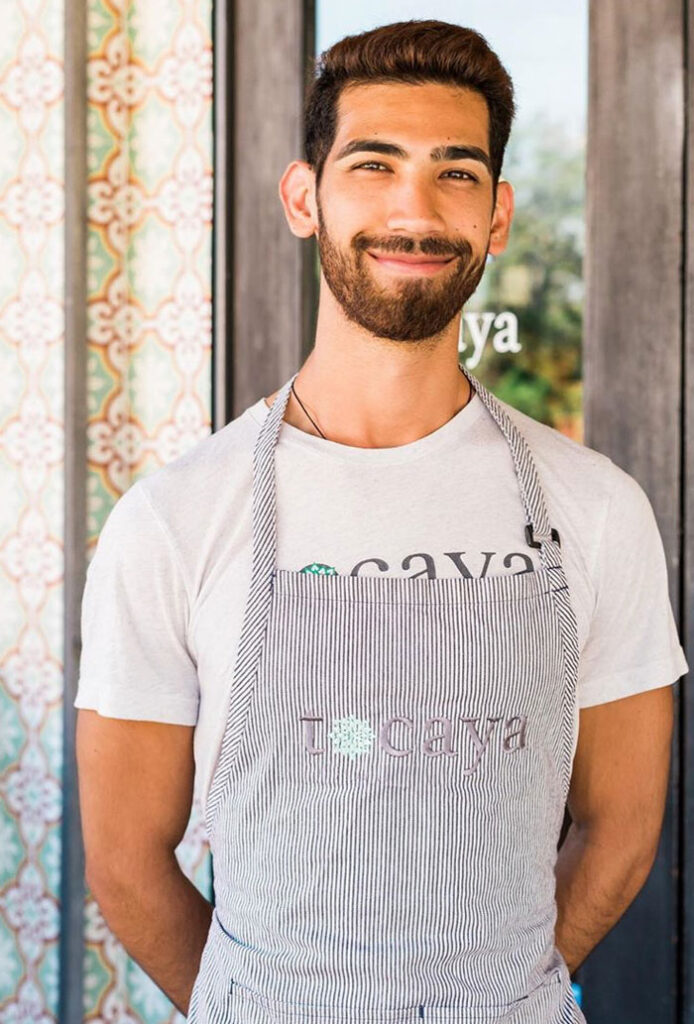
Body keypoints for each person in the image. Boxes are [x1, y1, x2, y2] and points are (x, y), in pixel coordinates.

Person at [74, 19, 688, 1024]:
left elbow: (620, 829)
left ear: (496, 216)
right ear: (302, 198)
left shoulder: (597, 508)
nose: (414, 208)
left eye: (456, 173)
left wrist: (496, 998)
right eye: (373, 164)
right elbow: (128, 863)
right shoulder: (178, 517)